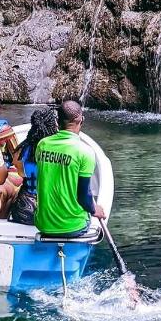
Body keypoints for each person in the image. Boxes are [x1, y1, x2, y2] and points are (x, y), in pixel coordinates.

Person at [34, 99, 106, 237]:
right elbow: (84, 196)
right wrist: (94, 209)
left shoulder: (42, 145)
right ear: (81, 120)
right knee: (87, 216)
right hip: (73, 227)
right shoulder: (85, 152)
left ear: (57, 121)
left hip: (43, 224)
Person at [10, 106, 59, 226]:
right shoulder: (59, 150)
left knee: (13, 190)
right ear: (54, 126)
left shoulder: (22, 149)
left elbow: (20, 171)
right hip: (51, 211)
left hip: (24, 211)